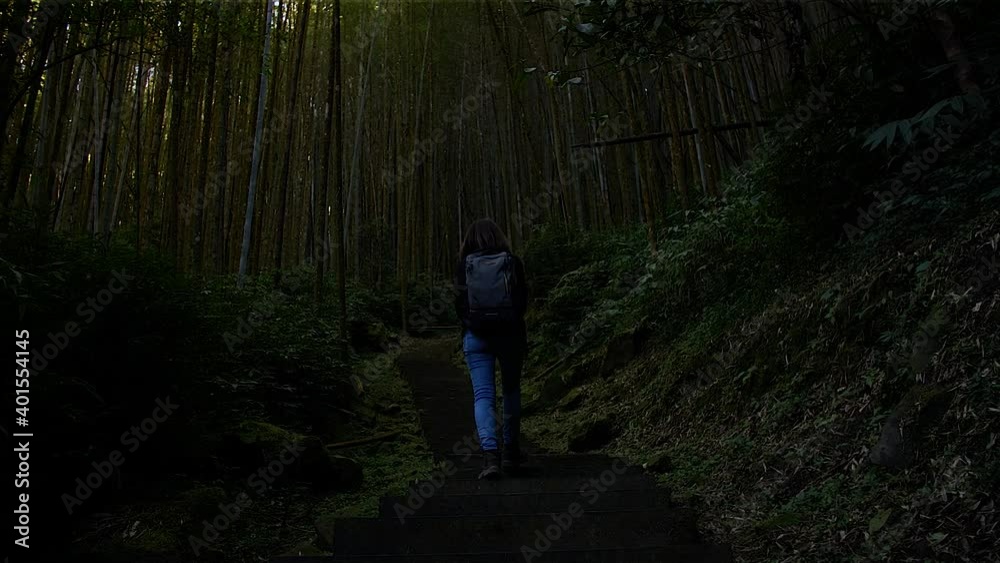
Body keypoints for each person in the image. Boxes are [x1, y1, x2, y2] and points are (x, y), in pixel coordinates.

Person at [454, 219, 528, 479]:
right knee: (511, 391)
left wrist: (473, 324)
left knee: (483, 395)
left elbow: (459, 304)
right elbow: (522, 301)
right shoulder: (512, 261)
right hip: (510, 336)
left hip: (476, 336)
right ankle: (511, 453)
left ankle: (490, 457)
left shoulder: (465, 266)